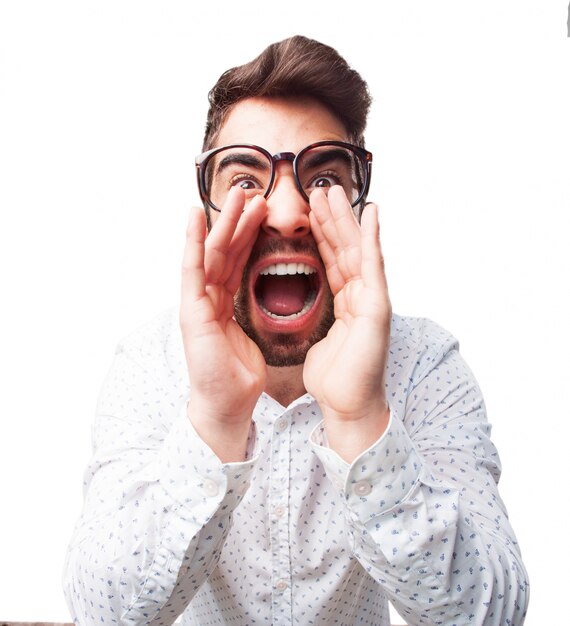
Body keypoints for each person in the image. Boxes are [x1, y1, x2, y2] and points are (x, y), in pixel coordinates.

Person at [63, 35, 529, 625]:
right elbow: (100, 612)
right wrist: (212, 420)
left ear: (359, 200)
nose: (287, 214)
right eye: (245, 180)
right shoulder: (149, 364)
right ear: (206, 210)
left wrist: (362, 423)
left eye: (325, 177)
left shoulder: (422, 362)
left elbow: (494, 611)